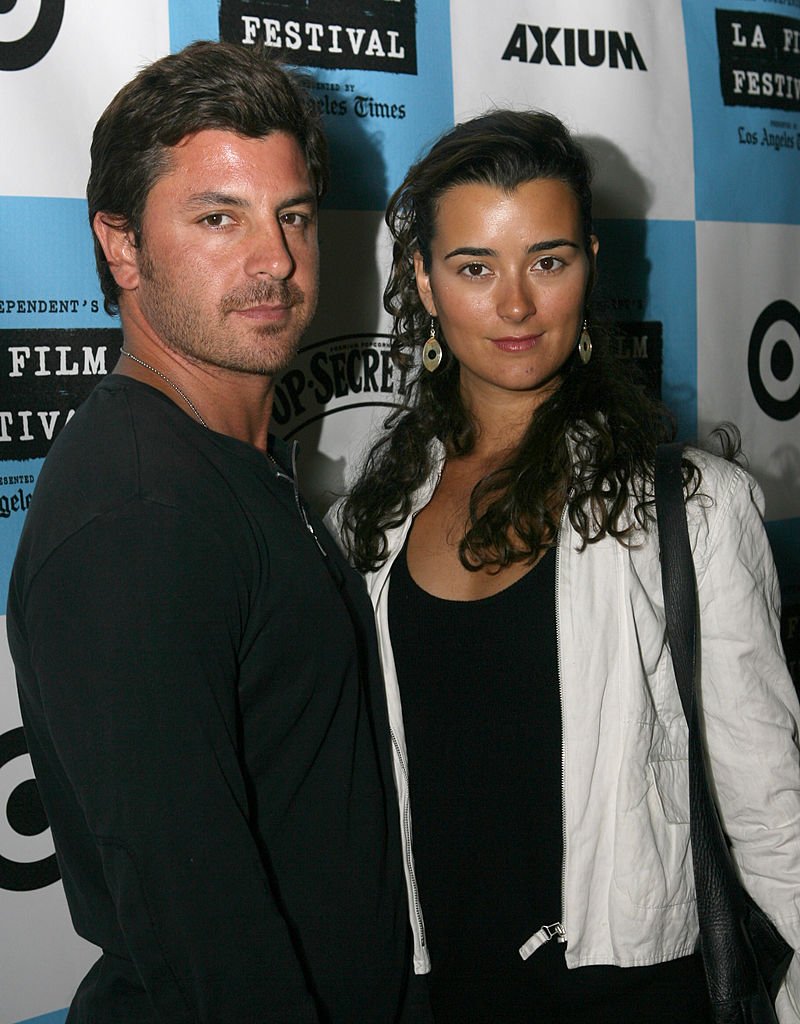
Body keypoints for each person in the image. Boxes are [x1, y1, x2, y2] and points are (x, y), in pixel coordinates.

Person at [330, 110, 800, 1022]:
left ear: (590, 263)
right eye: (475, 268)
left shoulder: (692, 508)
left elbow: (770, 803)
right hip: (440, 992)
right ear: (424, 283)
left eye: (548, 261)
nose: (516, 306)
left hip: (627, 995)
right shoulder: (370, 522)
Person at [6, 41, 422, 1024]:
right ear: (121, 246)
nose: (273, 258)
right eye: (216, 217)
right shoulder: (139, 517)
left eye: (292, 217)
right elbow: (202, 935)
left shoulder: (227, 465)